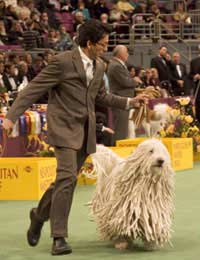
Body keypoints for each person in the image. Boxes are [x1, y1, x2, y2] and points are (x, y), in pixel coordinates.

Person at [2, 19, 148, 256]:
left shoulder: (100, 66)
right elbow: (32, 90)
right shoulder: (61, 63)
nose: (105, 48)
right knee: (68, 177)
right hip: (63, 129)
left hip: (85, 132)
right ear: (89, 43)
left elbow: (102, 97)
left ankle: (38, 215)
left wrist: (130, 102)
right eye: (102, 45)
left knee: (64, 181)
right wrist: (10, 118)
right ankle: (59, 237)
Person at [107, 45, 137, 144]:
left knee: (123, 129)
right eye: (126, 52)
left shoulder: (118, 64)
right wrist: (135, 81)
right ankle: (116, 149)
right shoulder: (115, 65)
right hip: (120, 102)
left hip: (123, 102)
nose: (128, 54)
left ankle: (119, 149)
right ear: (121, 54)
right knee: (120, 130)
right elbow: (125, 82)